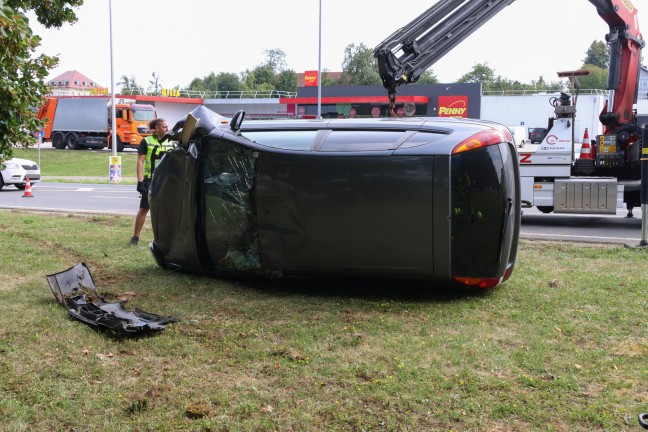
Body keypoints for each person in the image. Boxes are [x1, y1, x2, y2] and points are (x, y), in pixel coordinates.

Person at [130, 118, 173, 245]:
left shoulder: (172, 142)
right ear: (157, 128)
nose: (167, 128)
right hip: (150, 180)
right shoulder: (146, 141)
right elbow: (140, 162)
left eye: (167, 126)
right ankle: (135, 237)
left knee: (166, 211)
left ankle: (164, 239)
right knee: (144, 209)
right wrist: (140, 182)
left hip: (167, 181)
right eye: (165, 127)